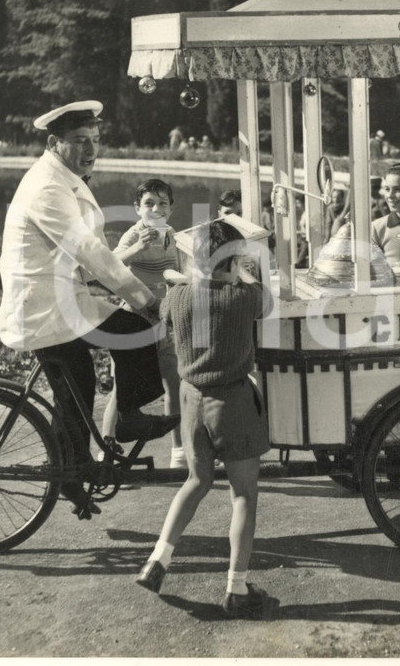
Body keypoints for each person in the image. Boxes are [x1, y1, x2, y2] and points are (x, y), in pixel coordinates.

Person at [0, 101, 168, 517]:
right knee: (118, 342)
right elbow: (89, 250)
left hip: (60, 298)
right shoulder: (48, 187)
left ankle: (75, 469)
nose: (90, 150)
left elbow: (90, 255)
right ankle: (117, 427)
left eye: (94, 141)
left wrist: (124, 290)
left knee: (77, 387)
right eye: (79, 141)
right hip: (43, 306)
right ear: (55, 143)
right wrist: (144, 298)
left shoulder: (61, 177)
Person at [135, 219, 275, 619]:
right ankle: (236, 588)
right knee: (244, 495)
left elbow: (173, 297)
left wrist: (189, 276)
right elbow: (265, 299)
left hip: (191, 401)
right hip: (231, 403)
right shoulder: (244, 298)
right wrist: (243, 268)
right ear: (234, 261)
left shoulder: (177, 297)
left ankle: (157, 561)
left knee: (196, 481)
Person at [104, 178, 185, 468]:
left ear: (171, 209)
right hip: (135, 313)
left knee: (173, 381)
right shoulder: (134, 234)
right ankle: (107, 450)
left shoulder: (172, 234)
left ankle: (178, 452)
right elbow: (110, 263)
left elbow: (178, 269)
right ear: (137, 208)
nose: (156, 208)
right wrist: (136, 248)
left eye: (163, 203)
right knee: (122, 387)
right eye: (149, 203)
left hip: (163, 315)